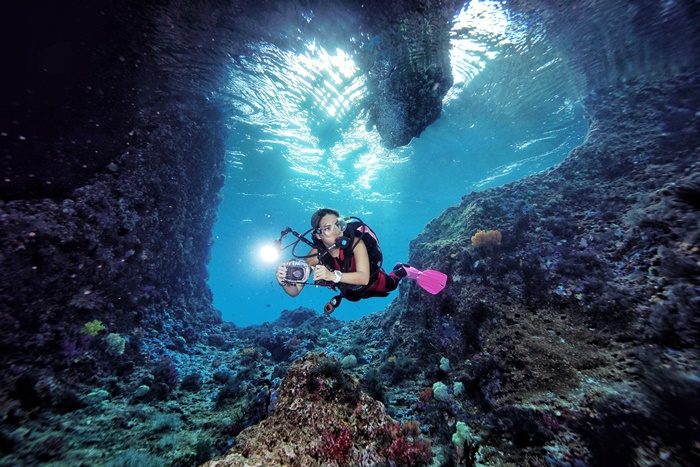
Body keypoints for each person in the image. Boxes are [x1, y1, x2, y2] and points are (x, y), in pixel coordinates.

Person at [275, 208, 407, 311]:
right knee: (353, 298)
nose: (337, 231)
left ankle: (401, 269)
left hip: (374, 282)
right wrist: (284, 282)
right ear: (318, 235)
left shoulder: (355, 243)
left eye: (338, 224)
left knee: (392, 285)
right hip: (350, 293)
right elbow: (295, 292)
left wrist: (331, 275)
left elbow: (364, 278)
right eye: (327, 228)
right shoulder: (315, 257)